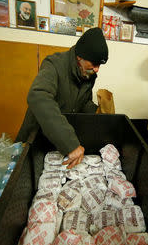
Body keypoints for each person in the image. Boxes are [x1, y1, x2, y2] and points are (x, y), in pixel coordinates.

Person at [16, 27, 108, 169]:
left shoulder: (88, 73)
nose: (97, 69)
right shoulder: (53, 64)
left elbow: (83, 101)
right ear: (79, 57)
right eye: (94, 64)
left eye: (100, 65)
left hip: (61, 137)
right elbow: (39, 97)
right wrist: (70, 143)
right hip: (38, 135)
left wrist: (98, 115)